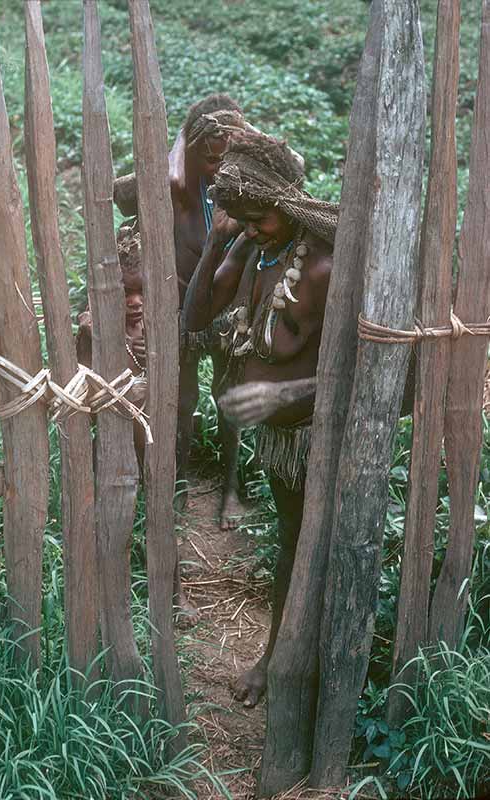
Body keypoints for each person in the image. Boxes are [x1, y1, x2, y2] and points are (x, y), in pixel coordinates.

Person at [183, 130, 339, 706]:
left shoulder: (324, 267)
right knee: (294, 543)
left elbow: (369, 376)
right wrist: (216, 243)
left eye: (259, 217)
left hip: (323, 438)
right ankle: (284, 658)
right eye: (240, 217)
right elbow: (195, 317)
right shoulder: (252, 250)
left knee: (314, 549)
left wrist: (285, 394)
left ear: (288, 204)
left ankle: (291, 663)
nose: (249, 227)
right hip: (281, 443)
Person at [114, 94, 248, 529]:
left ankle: (231, 491)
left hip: (230, 314)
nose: (219, 157)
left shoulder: (240, 187)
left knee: (230, 402)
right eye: (209, 148)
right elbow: (120, 193)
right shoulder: (172, 187)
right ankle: (180, 484)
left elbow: (295, 169)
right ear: (190, 147)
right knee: (181, 400)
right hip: (181, 311)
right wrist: (179, 140)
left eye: (227, 148)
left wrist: (244, 137)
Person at [76, 222, 199, 623]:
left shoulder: (163, 324)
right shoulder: (96, 326)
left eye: (141, 291)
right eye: (126, 291)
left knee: (161, 515)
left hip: (153, 441)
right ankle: (111, 593)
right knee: (112, 519)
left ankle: (176, 595)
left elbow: (177, 389)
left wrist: (159, 350)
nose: (134, 301)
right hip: (113, 442)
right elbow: (83, 384)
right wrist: (93, 339)